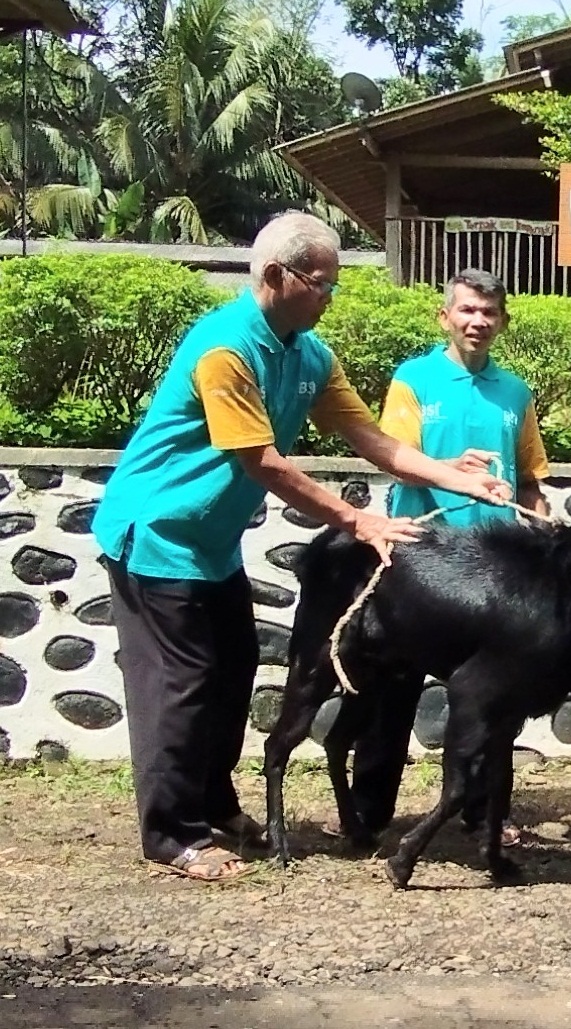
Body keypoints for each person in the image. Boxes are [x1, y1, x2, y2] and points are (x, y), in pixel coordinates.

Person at [92, 214, 510, 883]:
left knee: (230, 678)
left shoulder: (308, 353)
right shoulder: (225, 348)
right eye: (322, 284)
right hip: (156, 536)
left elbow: (372, 440)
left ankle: (215, 805)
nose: (329, 298)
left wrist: (453, 476)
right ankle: (172, 833)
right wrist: (358, 521)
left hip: (211, 545)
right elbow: (263, 461)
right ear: (277, 276)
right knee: (182, 684)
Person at [341, 268, 552, 846]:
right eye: (466, 311)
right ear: (446, 317)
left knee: (492, 701)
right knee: (392, 690)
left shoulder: (516, 393)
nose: (477, 322)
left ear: (502, 322)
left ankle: (484, 814)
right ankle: (368, 816)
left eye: (487, 313)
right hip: (423, 564)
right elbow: (394, 457)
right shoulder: (413, 381)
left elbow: (531, 478)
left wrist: (537, 528)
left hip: (495, 574)